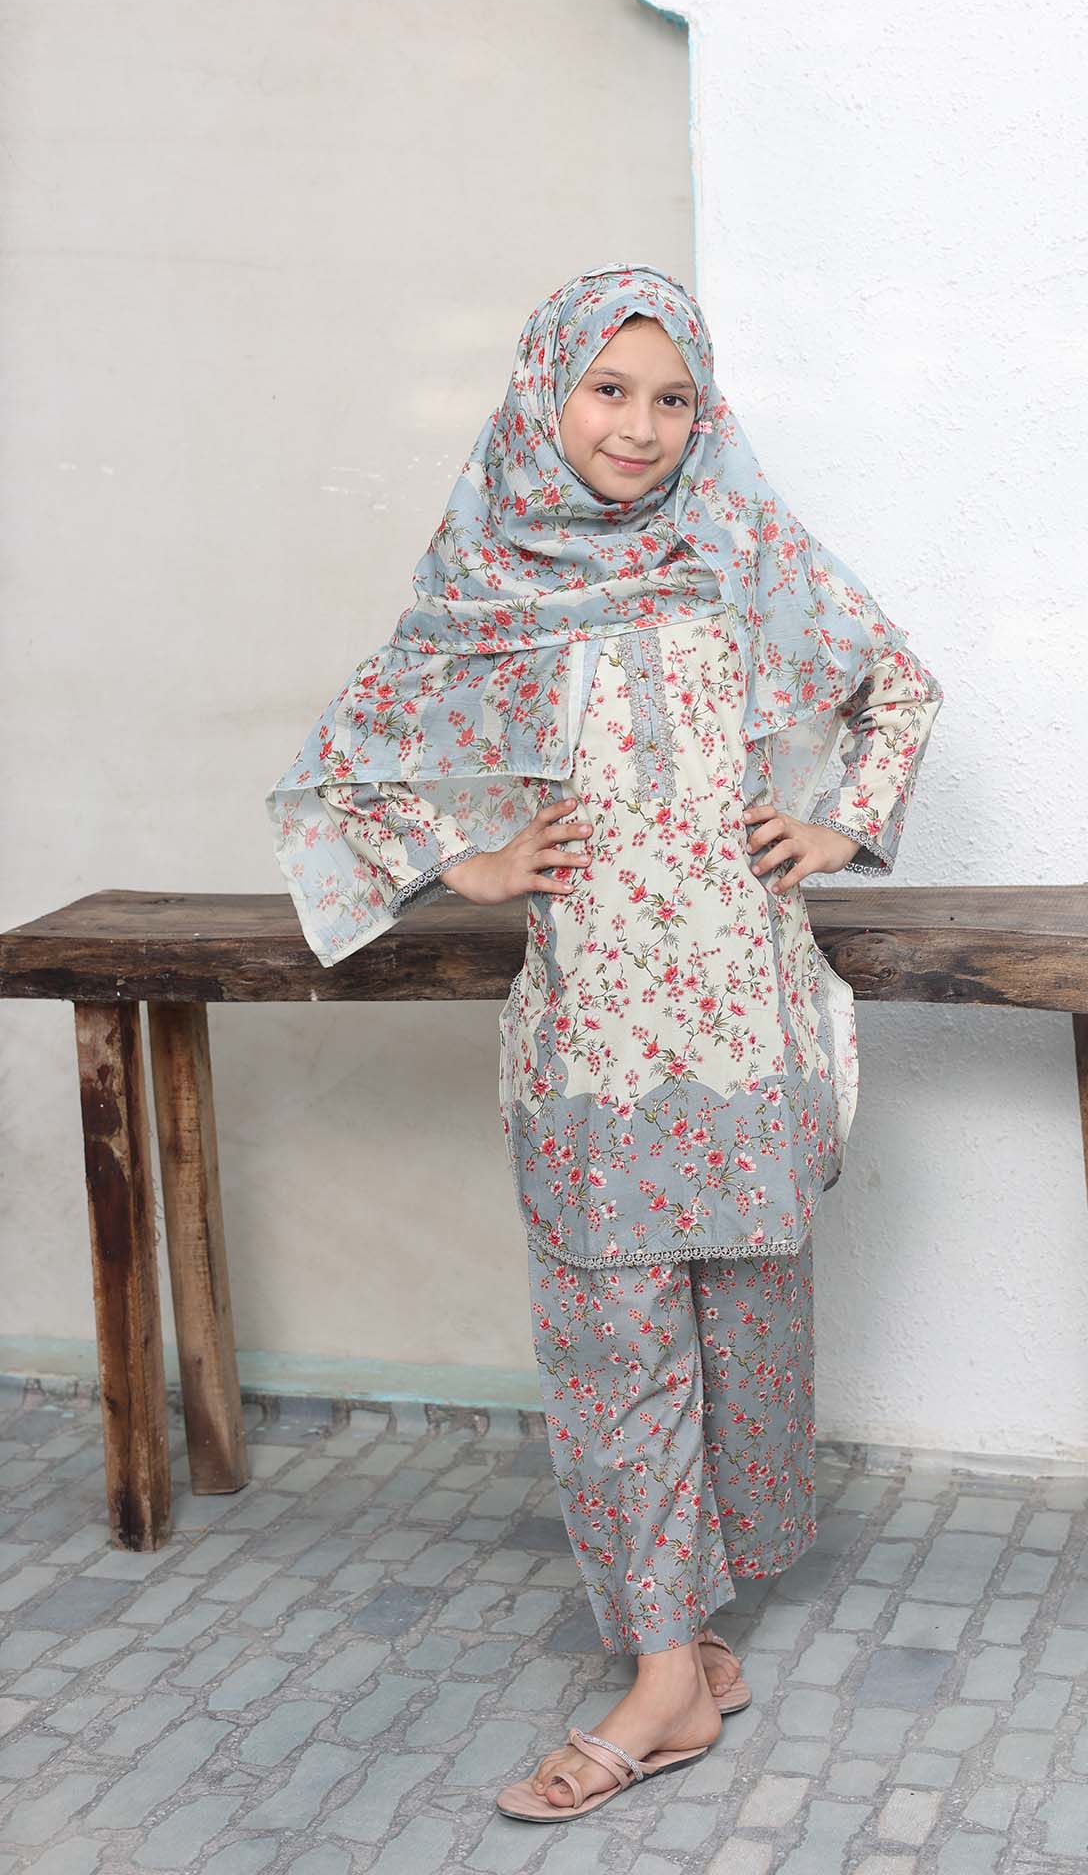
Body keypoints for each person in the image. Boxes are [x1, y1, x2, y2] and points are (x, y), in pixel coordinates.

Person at [265, 265, 944, 1822]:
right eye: (608, 391)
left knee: (740, 1334)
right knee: (611, 1349)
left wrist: (838, 822)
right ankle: (658, 1673)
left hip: (746, 1023)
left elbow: (893, 684)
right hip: (590, 1037)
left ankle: (697, 1641)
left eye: (672, 397)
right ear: (544, 394)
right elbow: (345, 766)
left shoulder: (741, 551)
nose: (639, 429)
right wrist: (468, 858)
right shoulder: (487, 570)